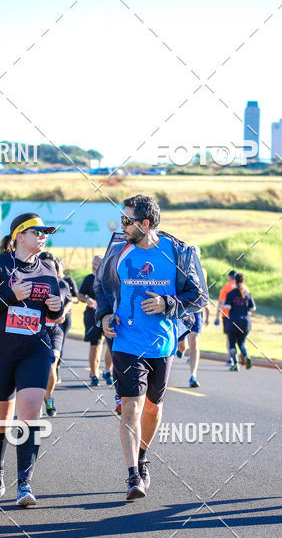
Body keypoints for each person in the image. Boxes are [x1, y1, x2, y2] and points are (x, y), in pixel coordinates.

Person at [95, 194, 208, 501]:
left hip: (163, 342)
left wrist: (167, 303)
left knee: (153, 408)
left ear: (145, 224)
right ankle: (133, 475)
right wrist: (104, 314)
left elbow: (198, 297)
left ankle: (142, 455)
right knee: (131, 407)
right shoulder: (119, 250)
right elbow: (102, 287)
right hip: (126, 341)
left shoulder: (178, 253)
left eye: (127, 220)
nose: (122, 225)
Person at [0, 213, 63, 507]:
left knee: (30, 416)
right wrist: (9, 296)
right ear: (19, 236)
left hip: (34, 349)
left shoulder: (48, 269)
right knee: (1, 419)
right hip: (0, 350)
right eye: (37, 231)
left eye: (46, 232)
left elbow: (52, 316)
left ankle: (24, 484)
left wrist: (56, 308)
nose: (43, 235)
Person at [39, 252, 73, 416]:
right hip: (36, 331)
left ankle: (48, 397)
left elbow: (70, 300)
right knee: (35, 368)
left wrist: (63, 313)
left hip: (54, 331)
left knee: (52, 363)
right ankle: (36, 397)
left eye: (50, 266)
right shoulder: (33, 284)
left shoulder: (62, 285)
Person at [78, 255, 113, 386]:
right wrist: (87, 299)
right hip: (92, 317)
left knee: (111, 346)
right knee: (95, 347)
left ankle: (108, 371)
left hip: (109, 316)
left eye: (96, 264)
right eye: (93, 263)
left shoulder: (110, 279)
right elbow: (80, 294)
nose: (93, 266)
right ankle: (94, 374)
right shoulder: (88, 279)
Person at [176, 247, 208, 387]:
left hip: (196, 311)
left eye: (197, 257)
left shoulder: (203, 272)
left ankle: (192, 376)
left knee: (194, 339)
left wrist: (206, 309)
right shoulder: (181, 271)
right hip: (183, 311)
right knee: (182, 344)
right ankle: (181, 348)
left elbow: (204, 292)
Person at [225, 273, 255, 371]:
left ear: (235, 280)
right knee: (241, 342)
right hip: (245, 322)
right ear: (243, 281)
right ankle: (246, 356)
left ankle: (235, 363)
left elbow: (227, 306)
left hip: (233, 321)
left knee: (232, 343)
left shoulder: (231, 293)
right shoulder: (247, 294)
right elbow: (252, 307)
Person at [56, 259, 77, 384]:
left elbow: (76, 297)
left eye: (58, 268)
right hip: (51, 317)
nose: (57, 271)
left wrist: (65, 300)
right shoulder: (50, 280)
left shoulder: (67, 281)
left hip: (65, 316)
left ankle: (56, 369)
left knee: (60, 344)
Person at [215, 270, 238, 366]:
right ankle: (237, 357)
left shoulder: (226, 287)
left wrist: (217, 317)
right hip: (240, 316)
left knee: (229, 338)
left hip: (227, 315)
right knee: (237, 338)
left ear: (229, 277)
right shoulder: (244, 287)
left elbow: (221, 302)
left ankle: (230, 358)